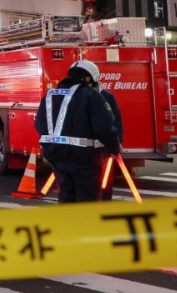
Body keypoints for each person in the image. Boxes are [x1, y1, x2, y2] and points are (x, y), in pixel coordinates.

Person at [34, 60, 121, 203]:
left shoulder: (50, 95)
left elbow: (38, 124)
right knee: (87, 200)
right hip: (85, 159)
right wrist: (114, 147)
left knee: (66, 197)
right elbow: (104, 127)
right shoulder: (90, 95)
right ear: (88, 78)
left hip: (56, 157)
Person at [97, 87, 123, 201]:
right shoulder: (105, 95)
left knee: (104, 177)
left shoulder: (106, 96)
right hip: (97, 146)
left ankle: (104, 200)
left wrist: (117, 142)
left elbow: (115, 120)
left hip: (101, 146)